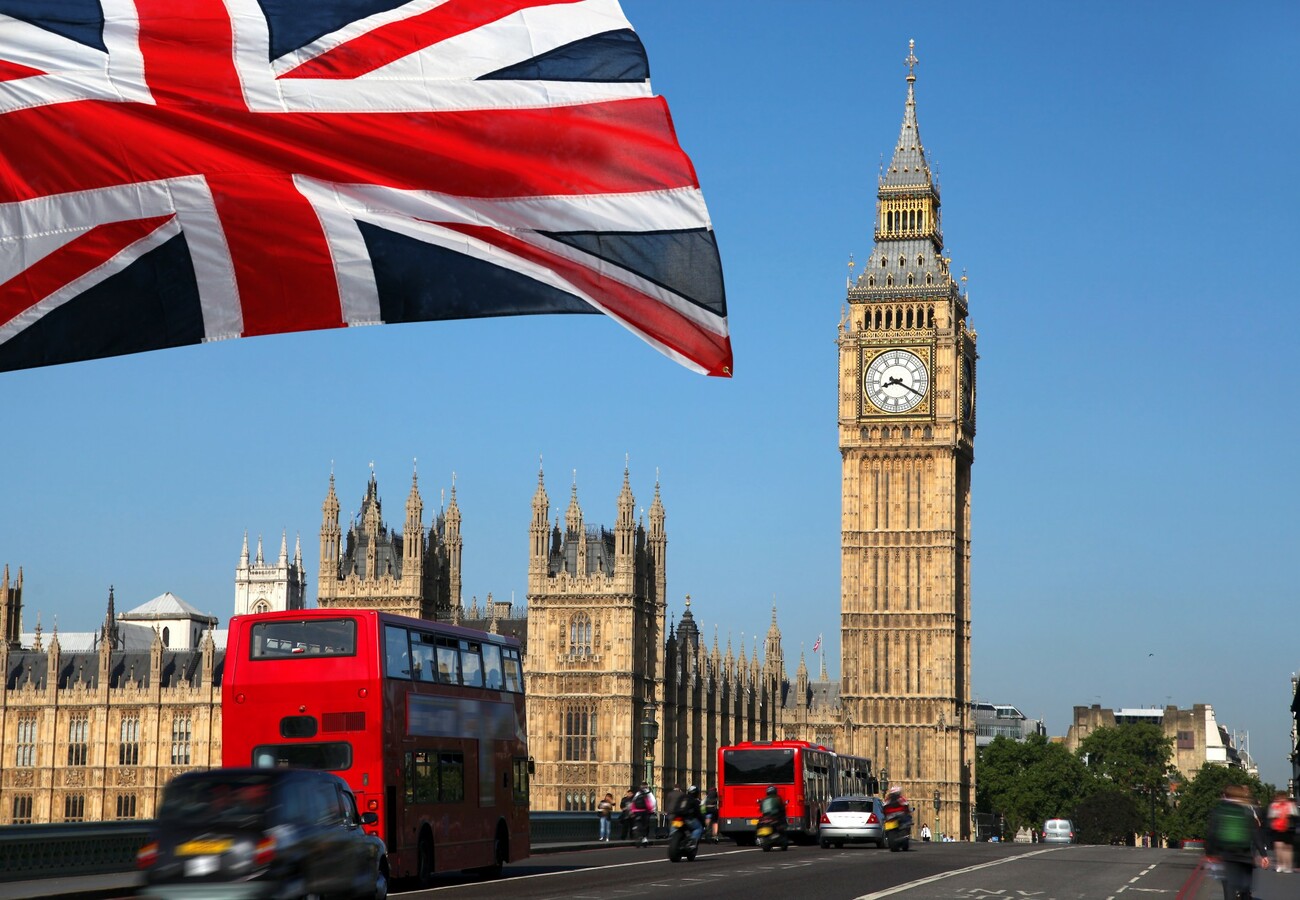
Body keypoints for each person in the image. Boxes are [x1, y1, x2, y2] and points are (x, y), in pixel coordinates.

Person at [1206, 784, 1269, 900]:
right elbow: (1255, 833)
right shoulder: (1247, 810)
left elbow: (1212, 833)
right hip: (1245, 854)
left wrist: (1210, 852)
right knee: (1245, 887)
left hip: (1228, 855)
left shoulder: (1220, 810)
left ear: (1226, 795)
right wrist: (1263, 854)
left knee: (1229, 885)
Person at [1267, 791, 1297, 873]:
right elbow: (1295, 815)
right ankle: (1285, 865)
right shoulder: (1289, 805)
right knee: (1283, 848)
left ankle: (1284, 865)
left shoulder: (1276, 805)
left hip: (1283, 828)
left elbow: (1271, 816)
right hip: (1283, 828)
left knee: (1283, 848)